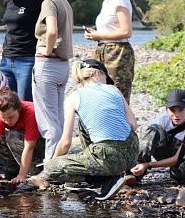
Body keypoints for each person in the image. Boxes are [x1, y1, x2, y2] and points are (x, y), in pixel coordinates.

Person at [30, 59, 139, 201]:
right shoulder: (114, 89)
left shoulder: (74, 97)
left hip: (107, 156)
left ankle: (104, 180)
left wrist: (51, 164)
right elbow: (134, 125)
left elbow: (65, 142)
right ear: (100, 74)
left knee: (52, 167)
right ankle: (109, 174)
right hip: (132, 153)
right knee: (84, 122)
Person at [17, 0, 73, 161]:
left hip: (47, 65)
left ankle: (50, 166)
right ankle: (59, 160)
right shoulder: (63, 1)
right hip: (62, 66)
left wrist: (47, 51)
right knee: (57, 117)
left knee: (48, 121)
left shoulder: (49, 3)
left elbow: (51, 31)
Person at [82, 0, 134, 104]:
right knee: (102, 95)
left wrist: (98, 35)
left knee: (117, 97)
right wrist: (96, 34)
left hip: (118, 53)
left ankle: (122, 126)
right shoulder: (107, 1)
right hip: (104, 50)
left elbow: (126, 31)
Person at [130, 89, 185, 185]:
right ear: (166, 109)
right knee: (153, 129)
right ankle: (135, 172)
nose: (176, 115)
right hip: (161, 151)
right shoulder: (160, 121)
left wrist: (149, 165)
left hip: (179, 157)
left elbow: (176, 158)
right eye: (172, 110)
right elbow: (145, 144)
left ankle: (179, 174)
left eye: (181, 110)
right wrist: (143, 162)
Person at [0, 0, 42, 101]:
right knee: (7, 101)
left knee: (25, 102)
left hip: (27, 59)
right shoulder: (7, 0)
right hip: (7, 58)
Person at [0, 90, 45, 185]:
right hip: (21, 144)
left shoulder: (31, 112)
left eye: (11, 117)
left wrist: (22, 175)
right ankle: (12, 168)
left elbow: (29, 147)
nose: (7, 121)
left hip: (40, 145)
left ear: (19, 109)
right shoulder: (0, 116)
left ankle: (33, 169)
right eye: (3, 117)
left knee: (13, 135)